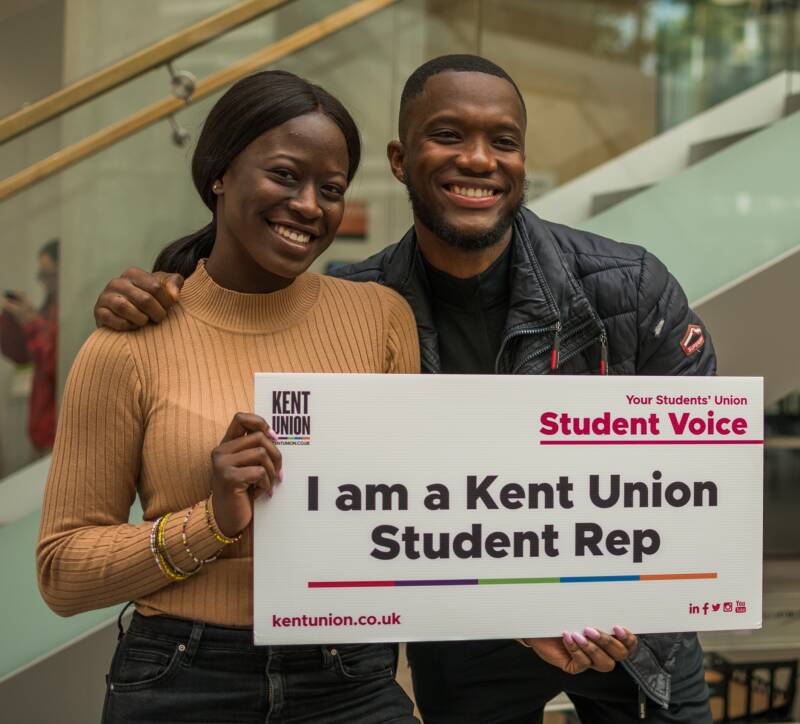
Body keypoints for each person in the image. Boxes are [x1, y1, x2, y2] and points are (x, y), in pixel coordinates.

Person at [91, 56, 715, 723]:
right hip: (464, 631)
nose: (479, 159)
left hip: (629, 621)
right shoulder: (354, 305)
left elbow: (696, 473)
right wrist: (158, 293)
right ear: (398, 157)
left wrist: (634, 606)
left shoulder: (629, 285)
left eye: (502, 141)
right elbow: (246, 327)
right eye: (449, 135)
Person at [37, 70, 421, 724]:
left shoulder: (381, 318)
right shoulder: (130, 342)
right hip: (183, 676)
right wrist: (210, 521)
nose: (309, 205)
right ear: (218, 173)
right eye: (284, 175)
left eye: (331, 189)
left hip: (349, 678)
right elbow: (62, 573)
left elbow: (414, 523)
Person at [0, 238, 59, 452]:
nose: (42, 281)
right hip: (43, 434)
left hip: (60, 433)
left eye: (47, 273)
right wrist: (12, 321)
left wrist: (33, 324)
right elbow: (20, 356)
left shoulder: (69, 311)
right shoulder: (48, 311)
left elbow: (57, 366)